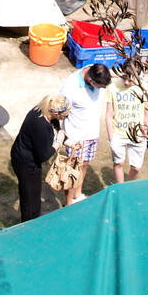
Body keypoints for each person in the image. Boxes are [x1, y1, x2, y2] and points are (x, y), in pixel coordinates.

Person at [10, 94, 69, 222]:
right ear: (56, 113)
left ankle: (32, 220)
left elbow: (55, 125)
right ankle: (29, 226)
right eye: (66, 114)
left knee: (33, 194)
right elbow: (43, 155)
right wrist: (58, 143)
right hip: (26, 163)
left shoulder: (43, 109)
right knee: (30, 198)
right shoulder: (40, 125)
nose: (67, 116)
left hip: (22, 154)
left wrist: (66, 140)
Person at [58, 62, 111, 204]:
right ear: (91, 81)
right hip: (76, 137)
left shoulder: (96, 70)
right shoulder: (70, 86)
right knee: (73, 170)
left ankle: (78, 195)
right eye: (100, 87)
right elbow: (60, 110)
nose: (102, 89)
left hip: (92, 134)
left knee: (84, 165)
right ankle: (69, 203)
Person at [105, 70, 148, 183]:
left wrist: (145, 130)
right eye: (124, 78)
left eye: (130, 79)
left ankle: (129, 186)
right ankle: (121, 188)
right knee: (119, 163)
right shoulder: (112, 87)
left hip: (137, 135)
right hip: (118, 134)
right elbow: (109, 114)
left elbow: (147, 112)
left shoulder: (143, 88)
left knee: (136, 168)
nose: (125, 82)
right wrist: (111, 138)